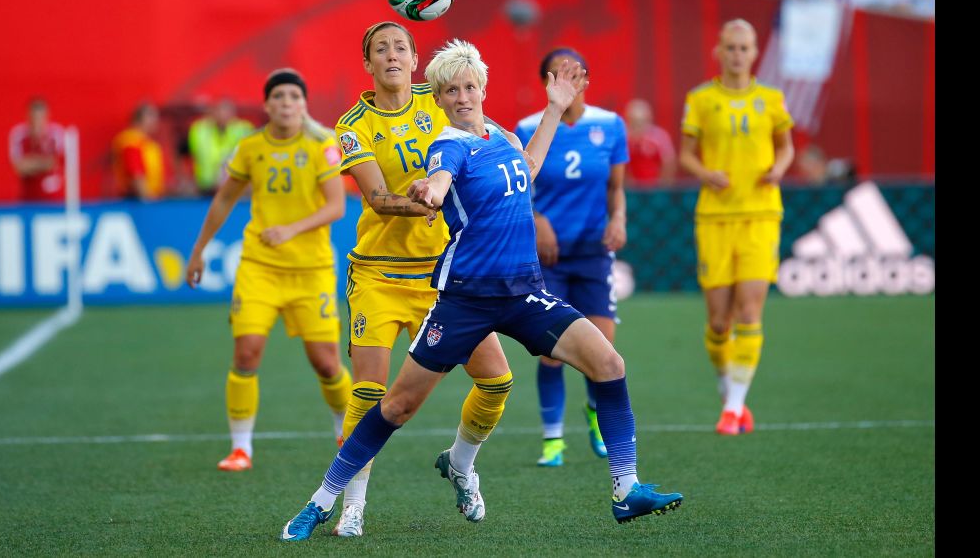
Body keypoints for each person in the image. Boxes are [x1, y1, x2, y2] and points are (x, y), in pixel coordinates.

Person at [280, 39, 682, 542]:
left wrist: (555, 109)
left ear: (482, 89)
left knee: (610, 365)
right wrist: (432, 189)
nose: (462, 96)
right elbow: (441, 177)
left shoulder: (503, 136)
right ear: (441, 100)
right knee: (396, 407)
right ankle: (322, 500)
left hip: (523, 295)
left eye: (470, 86)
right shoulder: (448, 144)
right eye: (451, 90)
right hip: (465, 300)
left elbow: (529, 168)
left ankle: (626, 490)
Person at [327, 21, 516, 538]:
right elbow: (376, 199)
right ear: (367, 64)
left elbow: (495, 141)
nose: (392, 55)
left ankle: (461, 463)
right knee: (368, 392)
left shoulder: (441, 99)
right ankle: (353, 504)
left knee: (497, 381)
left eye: (401, 47)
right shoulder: (353, 124)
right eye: (380, 49)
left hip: (447, 277)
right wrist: (428, 198)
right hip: (380, 274)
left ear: (415, 60)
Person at [185, 69, 351, 471]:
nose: (287, 103)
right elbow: (224, 200)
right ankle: (241, 448)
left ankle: (346, 432)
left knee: (327, 363)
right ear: (266, 105)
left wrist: (291, 229)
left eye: (294, 96)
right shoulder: (250, 147)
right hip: (260, 267)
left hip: (310, 269)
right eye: (279, 96)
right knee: (246, 353)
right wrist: (199, 250)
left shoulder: (321, 144)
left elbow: (337, 206)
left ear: (304, 104)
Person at [678, 19, 795, 436]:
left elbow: (786, 146)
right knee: (718, 322)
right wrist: (706, 174)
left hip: (761, 214)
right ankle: (731, 395)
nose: (737, 55)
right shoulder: (701, 99)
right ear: (719, 51)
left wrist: (778, 170)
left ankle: (733, 407)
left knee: (749, 311)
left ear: (755, 52)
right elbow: (686, 154)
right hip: (714, 216)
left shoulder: (772, 99)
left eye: (744, 48)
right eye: (730, 48)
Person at [513, 48, 628, 468]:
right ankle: (553, 441)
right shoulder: (528, 127)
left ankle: (596, 418)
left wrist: (619, 219)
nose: (567, 80)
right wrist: (538, 219)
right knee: (551, 351)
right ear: (546, 81)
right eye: (557, 74)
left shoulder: (610, 125)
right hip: (548, 256)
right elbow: (517, 187)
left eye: (575, 73)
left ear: (586, 79)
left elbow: (616, 188)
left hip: (594, 253)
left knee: (602, 349)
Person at [186, 97, 255, 196]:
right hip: (205, 189)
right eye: (220, 110)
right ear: (213, 112)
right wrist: (186, 179)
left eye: (227, 111)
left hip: (236, 189)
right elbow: (185, 153)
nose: (223, 114)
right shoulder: (199, 130)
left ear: (233, 113)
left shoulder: (244, 130)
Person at [9, 97, 67, 202]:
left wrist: (31, 162)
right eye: (34, 117)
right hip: (28, 197)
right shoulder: (19, 134)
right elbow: (20, 168)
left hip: (54, 198)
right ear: (28, 116)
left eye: (40, 117)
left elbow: (53, 163)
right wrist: (42, 163)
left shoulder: (56, 133)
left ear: (47, 115)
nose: (37, 121)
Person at [112, 102, 168, 200]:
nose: (155, 121)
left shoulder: (149, 144)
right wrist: (147, 199)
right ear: (138, 119)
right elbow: (135, 173)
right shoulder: (131, 141)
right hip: (137, 201)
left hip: (150, 197)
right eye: (151, 117)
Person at [625, 98, 677, 187]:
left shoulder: (660, 137)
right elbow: (619, 166)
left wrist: (664, 185)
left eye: (641, 122)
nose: (638, 127)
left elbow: (669, 162)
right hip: (632, 190)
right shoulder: (624, 138)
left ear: (649, 119)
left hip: (656, 190)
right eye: (634, 122)